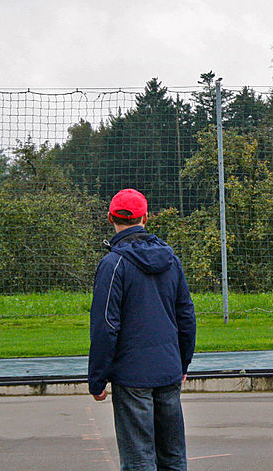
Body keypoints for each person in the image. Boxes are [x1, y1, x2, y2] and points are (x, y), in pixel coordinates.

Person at [89, 188, 196, 471]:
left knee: (139, 459)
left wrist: (97, 378)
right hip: (168, 370)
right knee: (173, 457)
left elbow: (106, 326)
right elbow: (186, 315)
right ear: (146, 217)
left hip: (131, 375)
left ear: (111, 217)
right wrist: (183, 362)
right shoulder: (171, 261)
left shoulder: (113, 264)